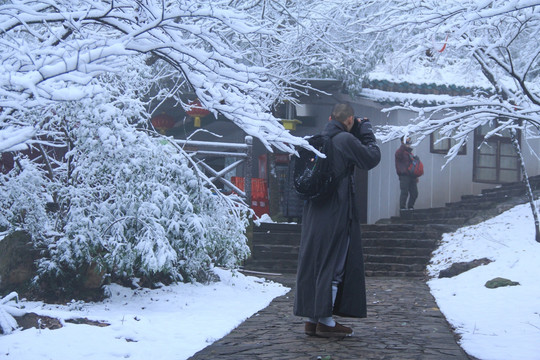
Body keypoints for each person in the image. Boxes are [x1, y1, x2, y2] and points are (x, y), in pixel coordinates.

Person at [294, 103, 381, 338]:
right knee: (334, 264)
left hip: (314, 210)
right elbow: (372, 158)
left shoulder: (316, 140)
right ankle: (326, 321)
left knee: (316, 261)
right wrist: (367, 134)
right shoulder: (345, 140)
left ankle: (312, 320)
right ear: (350, 120)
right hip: (336, 210)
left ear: (331, 117)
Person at [395, 136, 418, 211]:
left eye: (409, 141)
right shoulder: (399, 152)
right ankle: (402, 207)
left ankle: (410, 206)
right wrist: (403, 145)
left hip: (412, 176)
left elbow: (413, 166)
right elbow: (399, 155)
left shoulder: (409, 153)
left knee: (414, 193)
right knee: (404, 192)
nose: (408, 143)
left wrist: (416, 175)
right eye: (406, 141)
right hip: (404, 175)